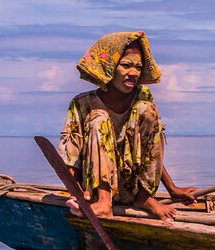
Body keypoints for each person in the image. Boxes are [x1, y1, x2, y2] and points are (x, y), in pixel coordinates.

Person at [58, 31, 197, 222]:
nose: (133, 73)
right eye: (125, 65)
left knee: (147, 110)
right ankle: (104, 202)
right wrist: (77, 192)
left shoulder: (142, 98)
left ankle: (144, 198)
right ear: (109, 68)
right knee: (99, 118)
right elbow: (70, 158)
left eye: (138, 67)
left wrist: (172, 189)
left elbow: (149, 149)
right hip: (94, 190)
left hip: (131, 188)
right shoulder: (83, 103)